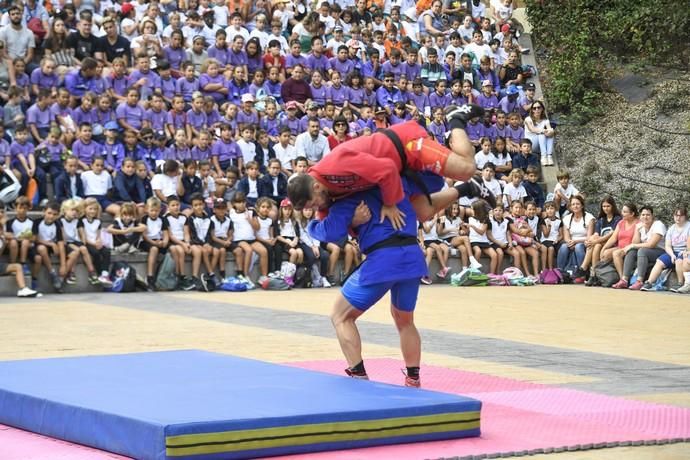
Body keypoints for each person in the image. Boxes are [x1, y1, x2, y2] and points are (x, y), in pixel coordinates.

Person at [309, 171, 461, 387]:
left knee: (340, 316)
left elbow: (328, 233)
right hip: (412, 256)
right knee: (405, 320)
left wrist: (316, 222)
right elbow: (430, 187)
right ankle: (413, 378)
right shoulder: (399, 185)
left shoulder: (349, 199)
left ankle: (358, 374)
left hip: (384, 259)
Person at [288, 104, 493, 229]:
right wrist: (351, 222)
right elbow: (328, 224)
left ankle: (455, 118)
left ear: (315, 187)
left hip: (406, 145)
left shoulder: (335, 165)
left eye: (312, 204)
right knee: (421, 212)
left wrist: (389, 204)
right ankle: (468, 188)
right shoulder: (320, 192)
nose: (315, 209)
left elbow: (385, 169)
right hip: (399, 169)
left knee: (466, 169)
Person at [611, 206, 666, 290]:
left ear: (652, 216)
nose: (645, 217)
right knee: (632, 251)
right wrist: (636, 230)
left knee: (641, 251)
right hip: (647, 251)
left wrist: (633, 245)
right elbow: (635, 243)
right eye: (643, 215)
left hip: (661, 251)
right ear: (640, 216)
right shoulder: (640, 226)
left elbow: (651, 244)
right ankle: (624, 280)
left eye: (648, 215)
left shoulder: (658, 225)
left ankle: (639, 281)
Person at [640, 206, 690, 292]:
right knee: (660, 261)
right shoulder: (671, 228)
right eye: (676, 215)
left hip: (684, 251)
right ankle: (649, 282)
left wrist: (686, 251)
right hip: (673, 251)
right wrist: (671, 255)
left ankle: (680, 283)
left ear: (685, 216)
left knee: (679, 261)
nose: (678, 218)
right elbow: (668, 245)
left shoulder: (688, 227)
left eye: (681, 216)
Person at [581, 196, 621, 285]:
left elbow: (611, 234)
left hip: (612, 243)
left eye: (608, 206)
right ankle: (594, 274)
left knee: (596, 243)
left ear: (613, 206)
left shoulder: (617, 219)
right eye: (604, 206)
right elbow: (596, 234)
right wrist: (591, 240)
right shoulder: (601, 219)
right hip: (600, 243)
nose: (606, 208)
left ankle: (585, 268)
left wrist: (595, 241)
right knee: (596, 243)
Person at [557, 195, 595, 278]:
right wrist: (570, 242)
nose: (575, 206)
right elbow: (566, 237)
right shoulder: (567, 218)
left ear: (582, 205)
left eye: (577, 204)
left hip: (584, 242)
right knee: (563, 247)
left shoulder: (589, 218)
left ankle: (582, 272)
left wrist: (576, 242)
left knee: (578, 247)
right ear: (570, 206)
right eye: (573, 204)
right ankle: (560, 272)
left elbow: (589, 237)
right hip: (571, 242)